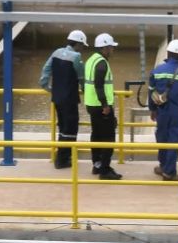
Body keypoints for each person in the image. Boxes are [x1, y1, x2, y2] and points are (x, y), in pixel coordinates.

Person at [39, 30, 87, 169]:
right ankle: (63, 159)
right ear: (77, 43)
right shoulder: (76, 57)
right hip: (70, 98)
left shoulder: (56, 52)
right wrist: (85, 91)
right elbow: (81, 78)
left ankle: (60, 156)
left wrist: (48, 88)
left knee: (62, 127)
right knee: (71, 129)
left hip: (57, 98)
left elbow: (45, 72)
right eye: (82, 44)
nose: (83, 48)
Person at [150, 39, 178, 181]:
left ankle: (163, 165)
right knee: (174, 139)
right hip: (177, 111)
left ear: (168, 53)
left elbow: (151, 91)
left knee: (162, 136)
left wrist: (152, 109)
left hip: (161, 110)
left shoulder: (156, 71)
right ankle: (169, 171)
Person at [84, 32, 122, 180]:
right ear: (105, 48)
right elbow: (99, 86)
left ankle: (97, 165)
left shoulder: (91, 60)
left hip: (91, 105)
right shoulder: (102, 64)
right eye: (111, 47)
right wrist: (105, 104)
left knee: (96, 135)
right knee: (108, 138)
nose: (113, 50)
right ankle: (105, 170)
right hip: (101, 107)